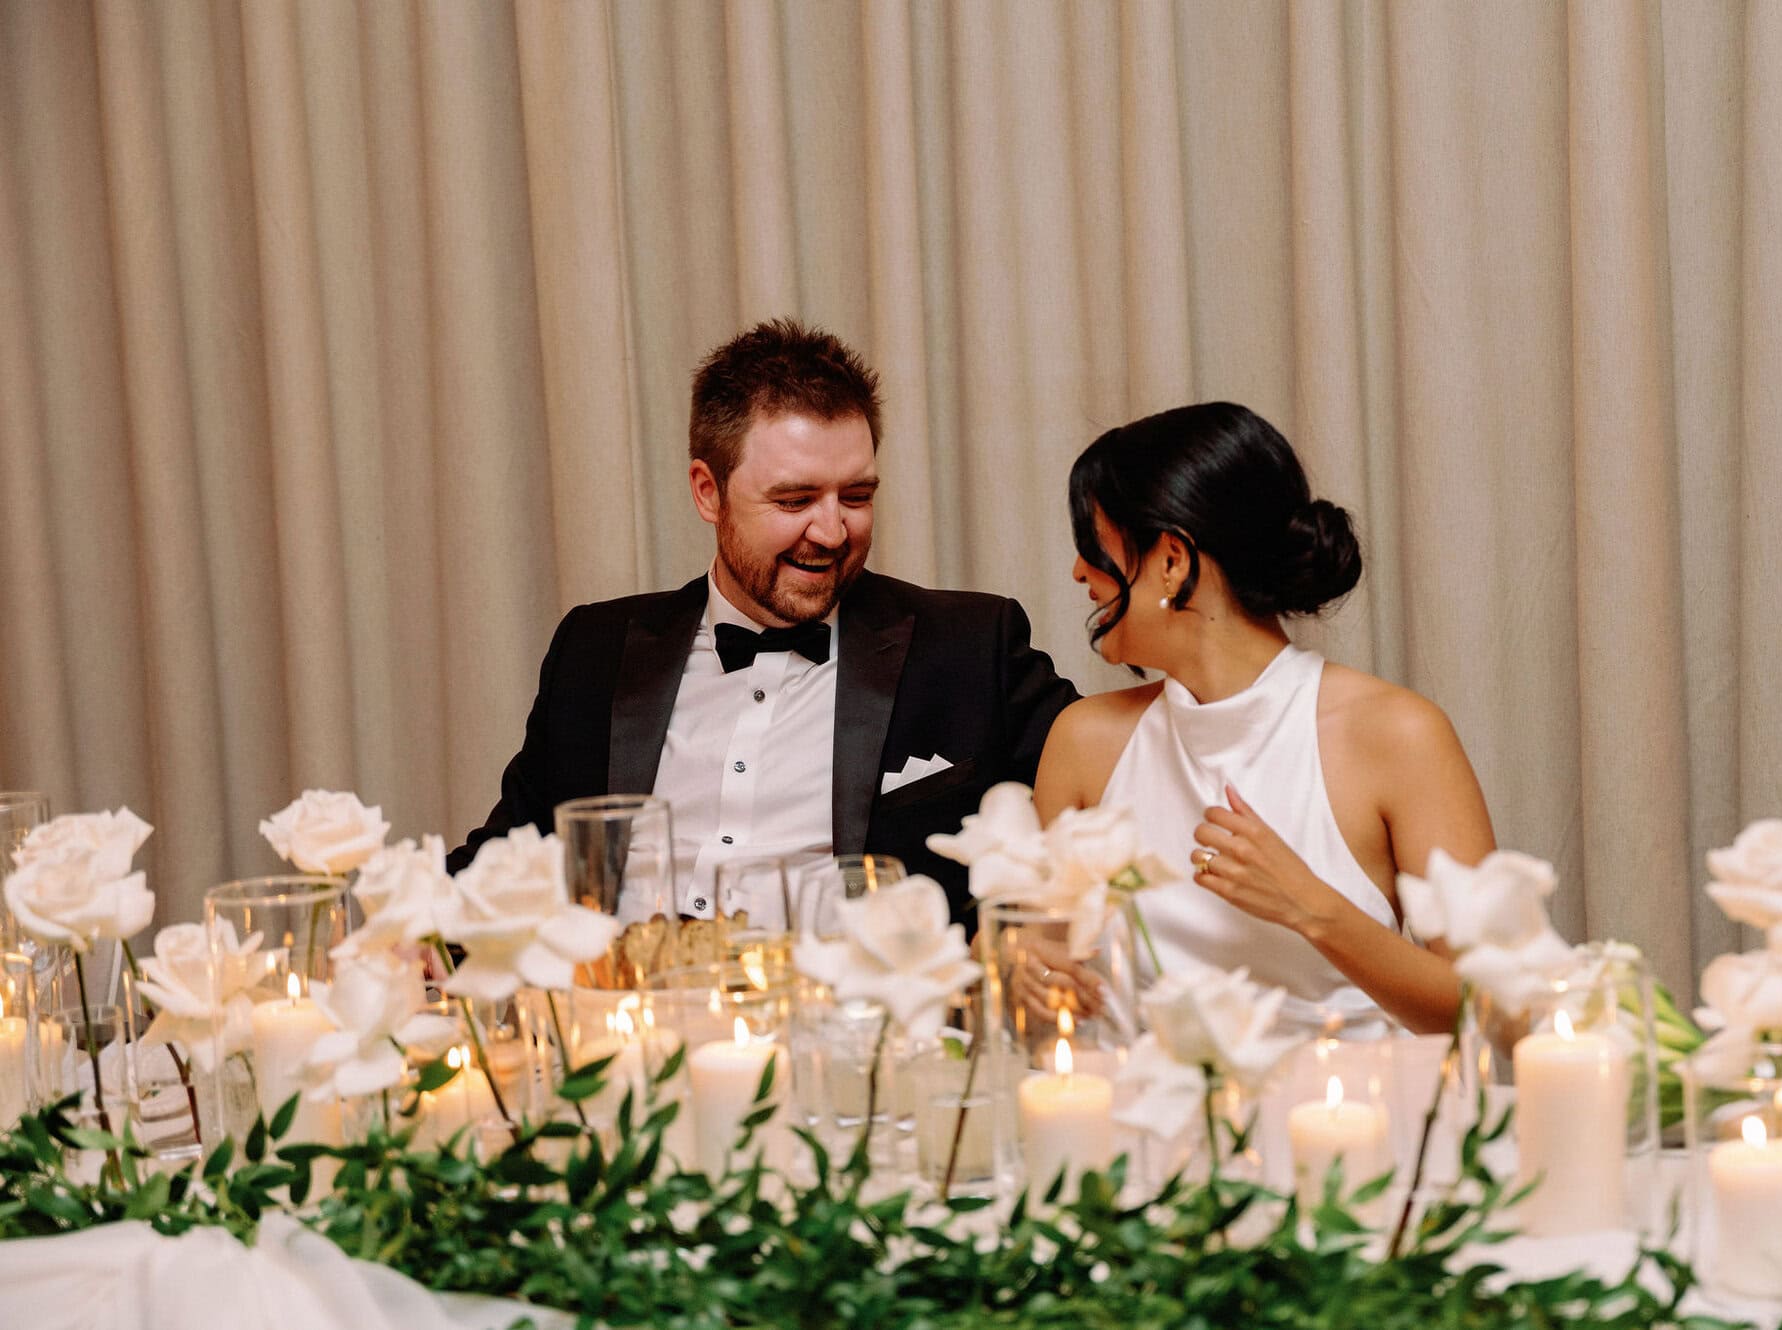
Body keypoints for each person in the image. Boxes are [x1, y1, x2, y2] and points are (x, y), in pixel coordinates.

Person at [451, 320, 1077, 926]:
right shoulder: (596, 649)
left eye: (856, 497)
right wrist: (418, 929)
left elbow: (1109, 790)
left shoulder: (969, 647)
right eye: (794, 500)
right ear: (708, 491)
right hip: (629, 1017)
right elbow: (510, 856)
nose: (832, 532)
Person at [1032, 402, 1494, 1035]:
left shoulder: (1397, 736)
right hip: (1131, 1122)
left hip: (1347, 1121)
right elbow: (1035, 962)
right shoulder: (1084, 742)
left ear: (1171, 560)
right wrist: (1013, 962)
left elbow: (1487, 1006)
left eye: (1094, 546)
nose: (1079, 571)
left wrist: (1312, 909)